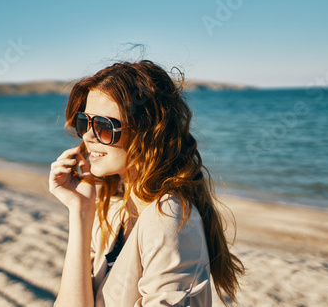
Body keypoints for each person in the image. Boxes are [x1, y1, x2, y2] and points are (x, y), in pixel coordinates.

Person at [49, 60, 244, 306]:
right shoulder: (112, 213)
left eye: (102, 126)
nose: (87, 135)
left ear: (147, 132)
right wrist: (81, 211)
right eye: (84, 122)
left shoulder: (169, 217)